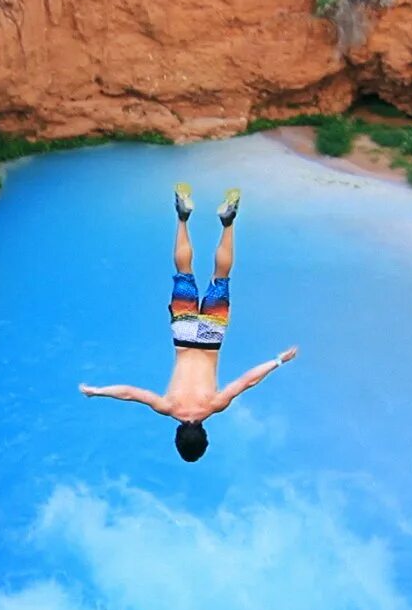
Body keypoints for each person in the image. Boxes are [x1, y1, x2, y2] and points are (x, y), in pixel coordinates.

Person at [79, 184, 299, 462]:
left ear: (205, 436)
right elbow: (129, 394)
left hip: (210, 336)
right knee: (184, 271)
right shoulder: (167, 406)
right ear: (177, 436)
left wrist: (279, 360)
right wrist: (96, 391)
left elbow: (248, 381)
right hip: (184, 334)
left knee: (221, 276)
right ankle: (182, 218)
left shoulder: (214, 405)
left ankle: (228, 223)